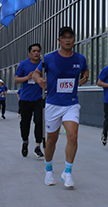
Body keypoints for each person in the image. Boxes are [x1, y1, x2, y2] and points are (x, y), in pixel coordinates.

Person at [35, 27, 89, 189]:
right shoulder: (49, 58)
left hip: (71, 104)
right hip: (53, 104)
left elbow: (86, 71)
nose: (67, 40)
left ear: (74, 40)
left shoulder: (80, 59)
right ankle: (48, 170)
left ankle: (68, 172)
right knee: (51, 141)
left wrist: (85, 77)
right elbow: (36, 73)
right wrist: (39, 81)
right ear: (59, 40)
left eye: (70, 37)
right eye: (64, 37)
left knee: (72, 136)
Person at [14, 43, 45, 159]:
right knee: (25, 122)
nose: (36, 53)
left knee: (39, 121)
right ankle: (25, 141)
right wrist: (27, 77)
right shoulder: (24, 64)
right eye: (34, 51)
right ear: (29, 53)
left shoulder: (43, 65)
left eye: (38, 51)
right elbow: (16, 80)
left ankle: (38, 146)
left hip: (39, 98)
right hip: (25, 99)